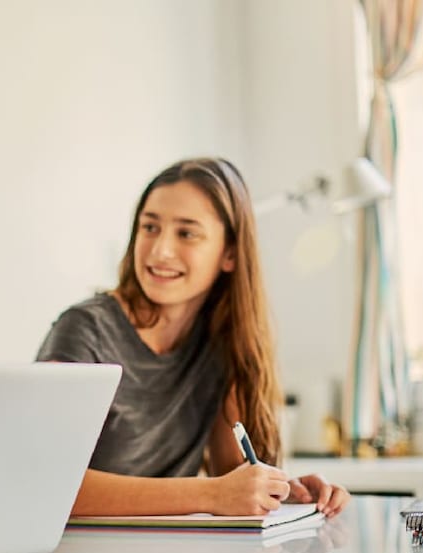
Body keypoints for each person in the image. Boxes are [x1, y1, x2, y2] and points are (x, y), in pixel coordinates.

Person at [36, 157, 350, 518]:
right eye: (149, 228)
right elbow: (45, 483)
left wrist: (279, 491)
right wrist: (211, 495)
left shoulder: (221, 340)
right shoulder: (83, 329)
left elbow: (230, 476)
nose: (160, 251)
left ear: (230, 253)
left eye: (186, 233)